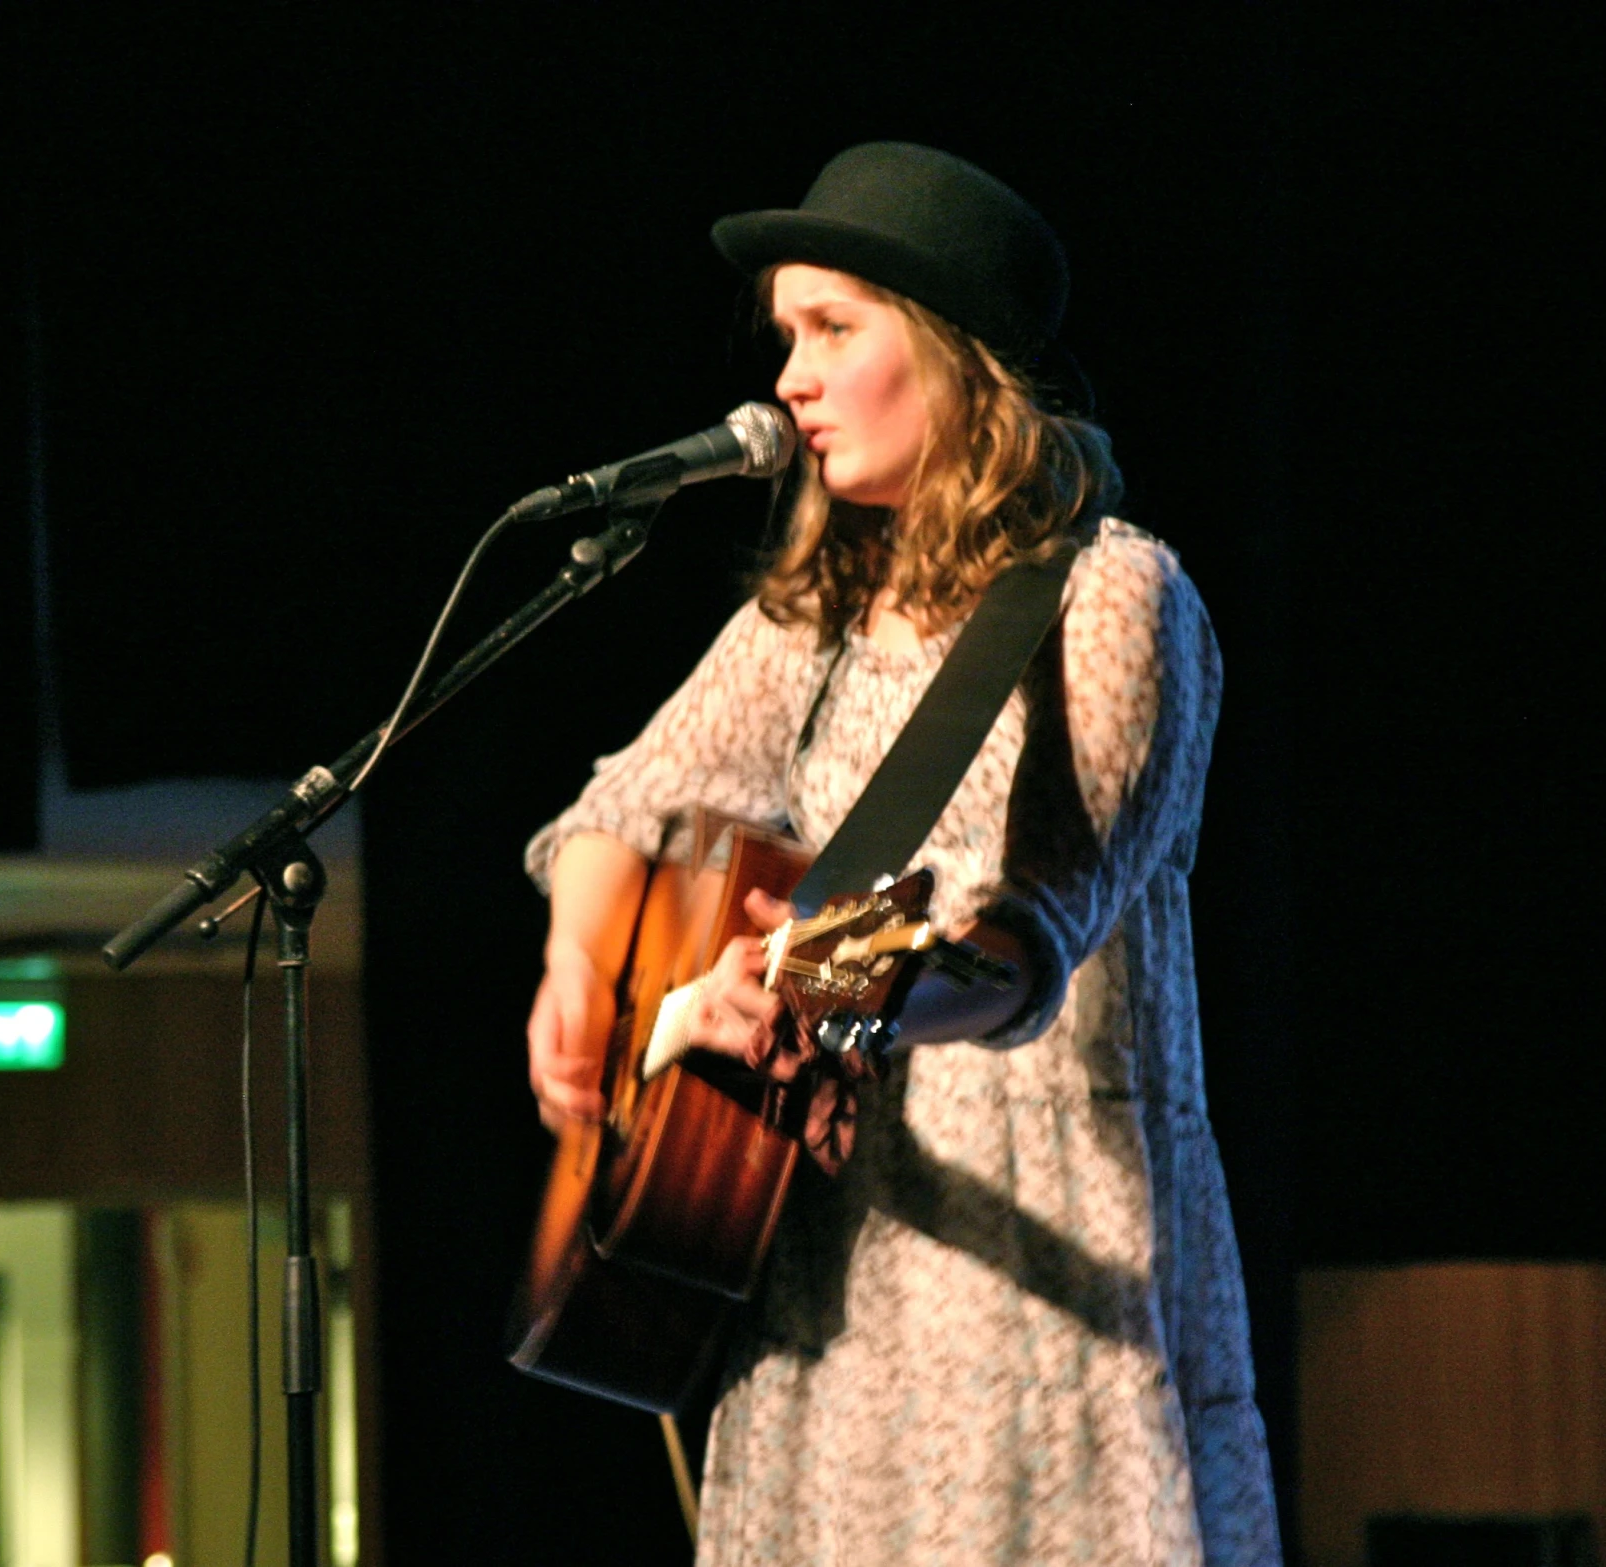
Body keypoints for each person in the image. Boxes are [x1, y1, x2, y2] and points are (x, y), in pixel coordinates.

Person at [523, 142, 1281, 1566]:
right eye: (783, 337)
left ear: (949, 354)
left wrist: (838, 993)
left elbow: (1020, 948)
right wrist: (577, 962)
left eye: (831, 330)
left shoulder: (1116, 598)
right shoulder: (815, 609)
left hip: (1047, 1277)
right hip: (822, 1272)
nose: (786, 379)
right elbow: (621, 802)